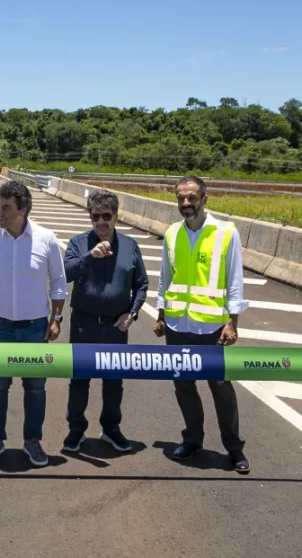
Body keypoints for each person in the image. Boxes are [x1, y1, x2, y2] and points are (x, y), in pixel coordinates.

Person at [153, 175, 250, 474]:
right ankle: (192, 440)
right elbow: (165, 277)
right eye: (181, 198)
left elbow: (234, 280)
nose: (186, 203)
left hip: (211, 327)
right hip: (177, 325)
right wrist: (160, 315)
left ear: (205, 199)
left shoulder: (225, 232)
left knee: (220, 388)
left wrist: (232, 322)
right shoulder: (172, 233)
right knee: (183, 386)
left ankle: (234, 448)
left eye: (192, 198)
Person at [0, 180, 67, 467]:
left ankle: (32, 441)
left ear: (22, 209)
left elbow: (58, 282)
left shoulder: (46, 239)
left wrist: (56, 319)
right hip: (0, 327)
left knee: (35, 389)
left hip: (35, 328)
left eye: (6, 208)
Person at [62, 189, 149, 454]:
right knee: (80, 380)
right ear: (90, 217)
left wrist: (132, 313)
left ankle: (111, 429)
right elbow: (65, 274)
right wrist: (90, 256)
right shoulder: (78, 243)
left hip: (115, 326)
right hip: (83, 324)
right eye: (96, 216)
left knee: (113, 381)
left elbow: (141, 284)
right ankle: (76, 429)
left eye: (107, 216)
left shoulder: (130, 246)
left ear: (116, 216)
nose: (101, 222)